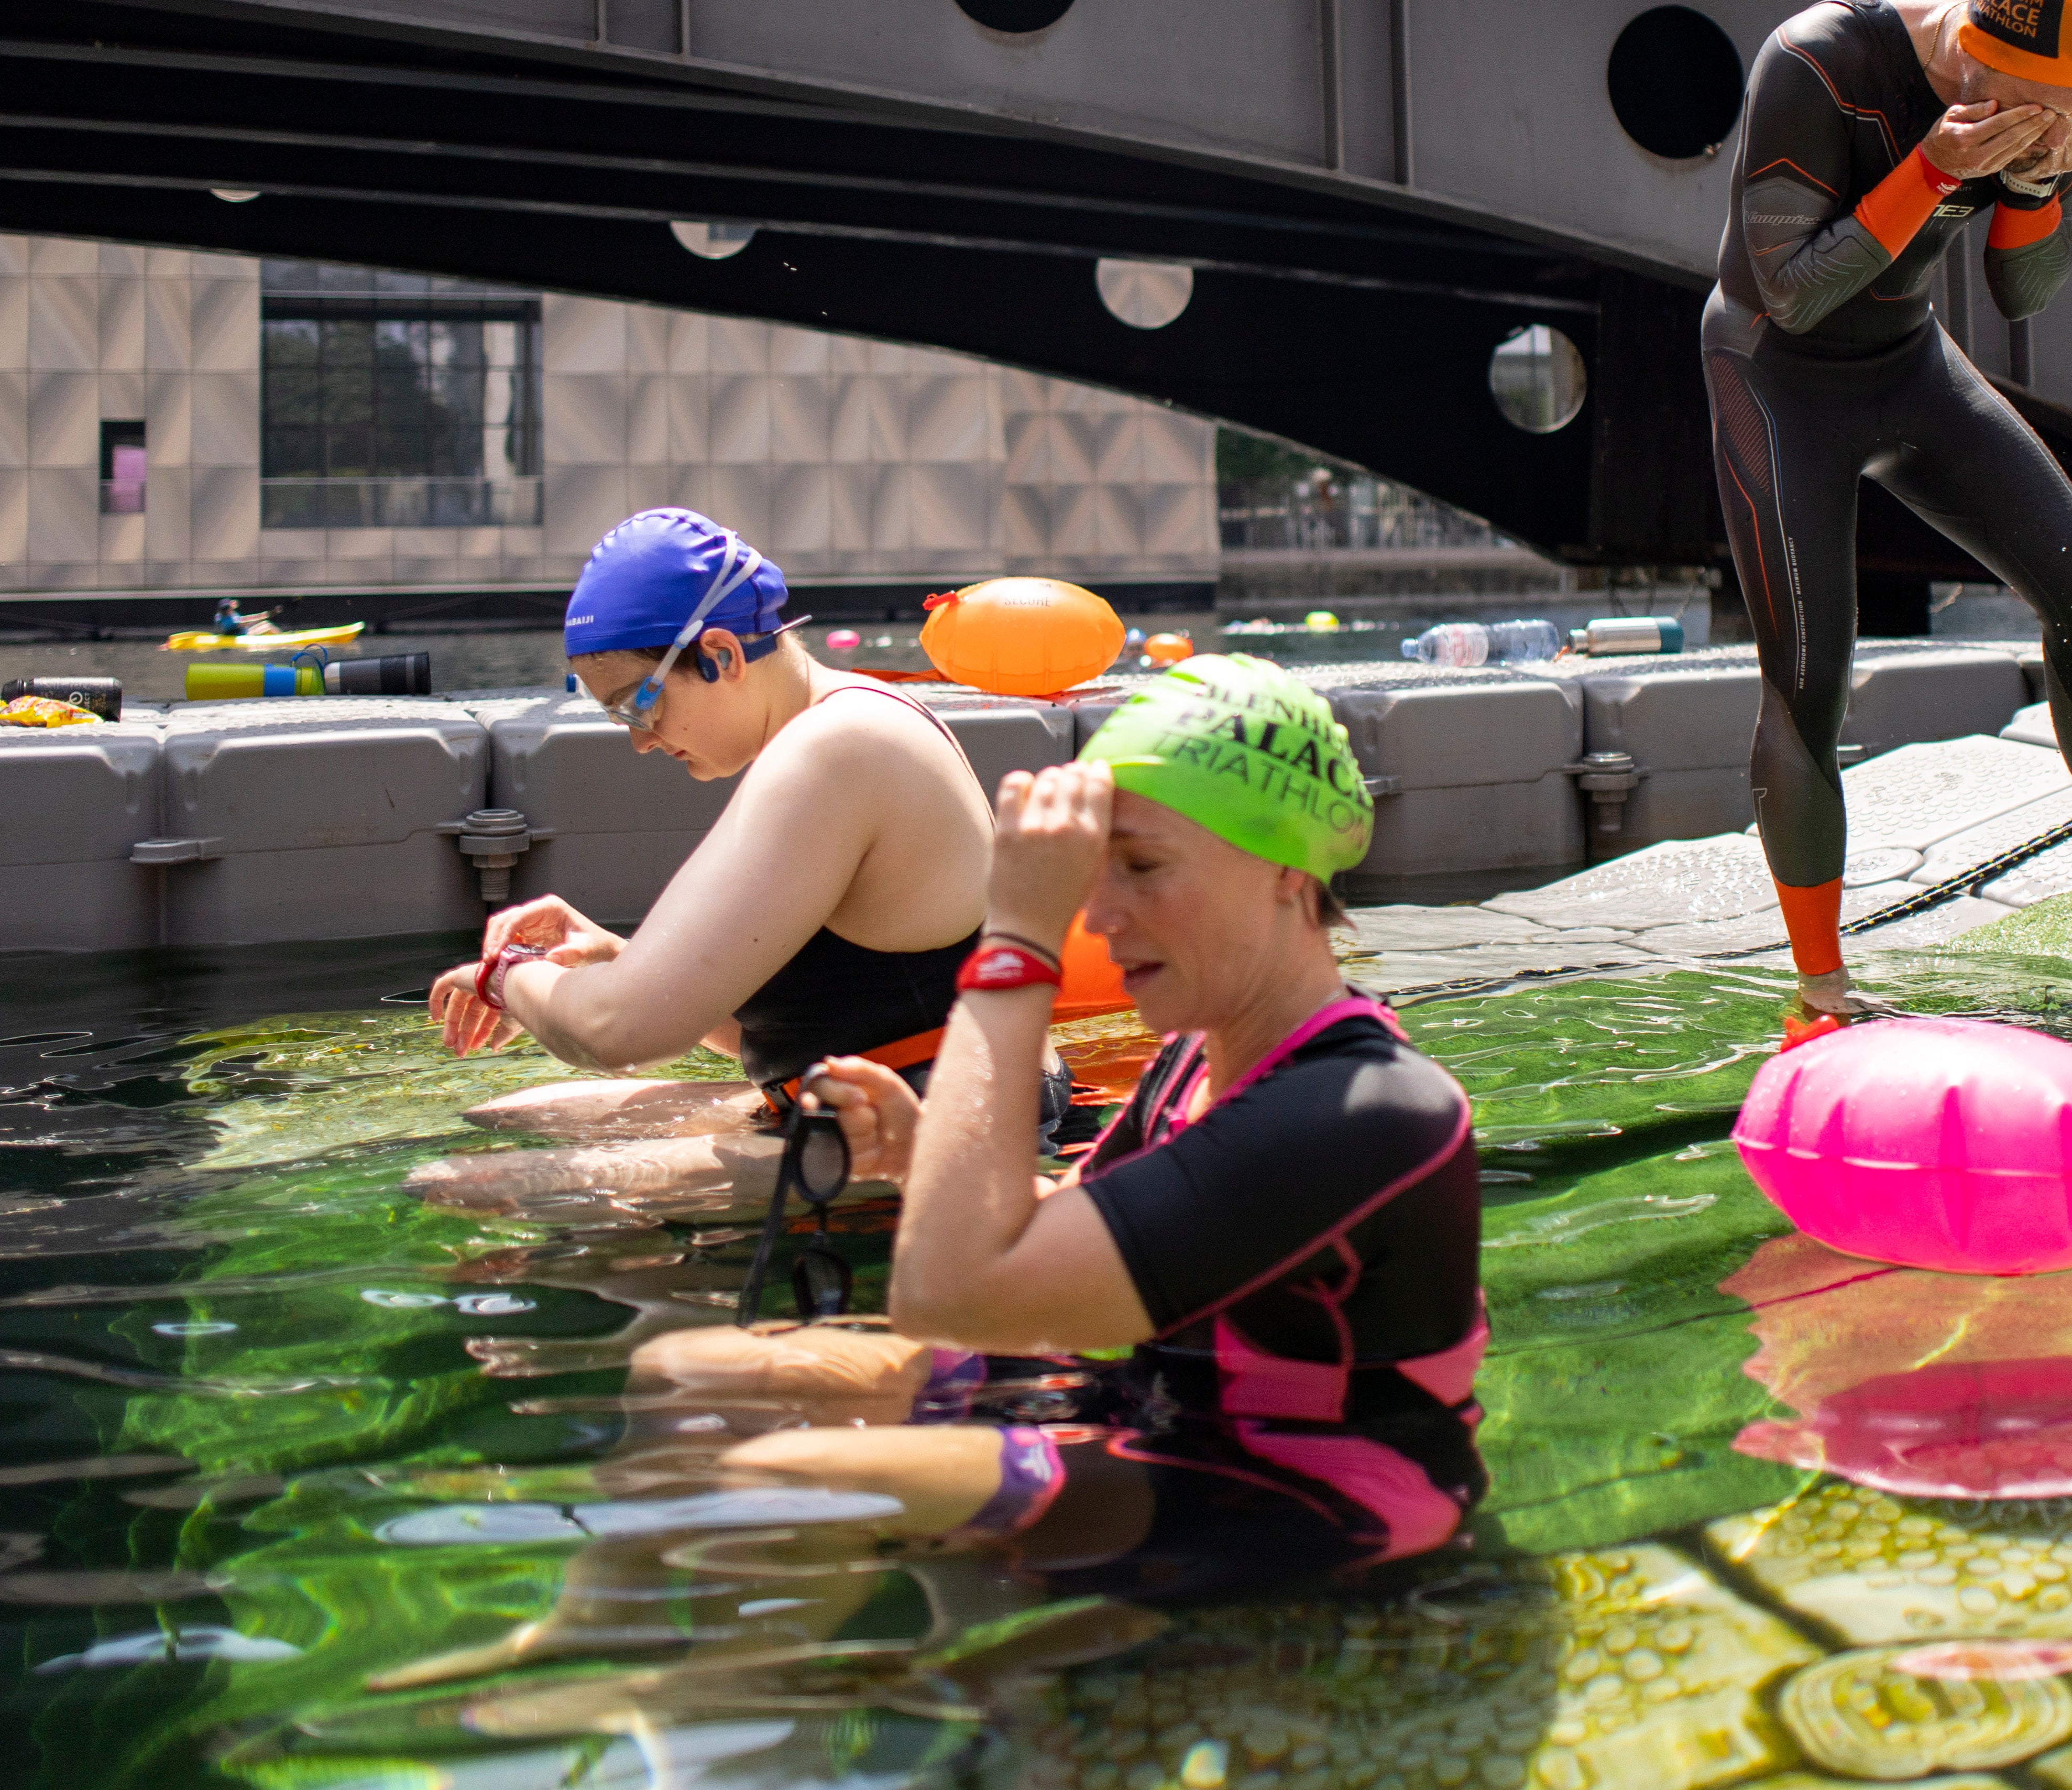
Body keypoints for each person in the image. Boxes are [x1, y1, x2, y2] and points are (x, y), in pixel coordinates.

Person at [432, 657, 1487, 1640]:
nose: (1101, 915)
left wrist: (1017, 941)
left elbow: (952, 1292)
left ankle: (739, 1710)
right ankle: (601, 1636)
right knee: (686, 1368)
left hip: (1308, 1491)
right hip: (1159, 1408)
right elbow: (1071, 1209)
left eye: (1143, 868)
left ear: (1284, 873)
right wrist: (920, 1147)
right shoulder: (1198, 1061)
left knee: (795, 1469)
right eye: (1093, 873)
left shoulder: (1364, 1111)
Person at [1707, 0, 2072, 1006]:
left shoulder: (2031, 99)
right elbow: (1793, 293)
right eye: (2044, 104)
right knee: (1811, 677)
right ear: (1976, 42)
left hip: (1907, 363)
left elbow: (2023, 295)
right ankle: (1821, 987)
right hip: (1775, 380)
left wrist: (2037, 179)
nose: (2053, 121)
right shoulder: (1816, 60)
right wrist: (1932, 169)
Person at [413, 507, 1000, 1205]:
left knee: (462, 1186)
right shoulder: (846, 721)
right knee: (520, 1112)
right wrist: (613, 958)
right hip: (894, 1100)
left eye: (640, 708)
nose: (639, 741)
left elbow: (622, 1029)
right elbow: (805, 1022)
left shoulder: (839, 750)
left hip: (945, 1133)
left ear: (720, 655)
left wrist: (509, 977)